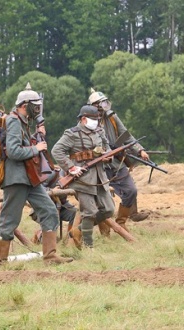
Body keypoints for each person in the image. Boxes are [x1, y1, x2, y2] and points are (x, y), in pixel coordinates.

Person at [0, 83, 73, 265]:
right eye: (35, 105)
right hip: (16, 179)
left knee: (49, 211)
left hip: (30, 178)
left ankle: (50, 256)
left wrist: (36, 136)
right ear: (24, 105)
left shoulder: (23, 123)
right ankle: (1, 261)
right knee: (10, 219)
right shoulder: (14, 121)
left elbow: (23, 145)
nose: (37, 109)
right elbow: (13, 151)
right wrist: (36, 148)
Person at [51, 105, 115, 248]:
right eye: (93, 119)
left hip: (100, 178)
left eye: (97, 119)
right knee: (90, 212)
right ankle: (88, 246)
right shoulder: (72, 134)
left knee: (109, 209)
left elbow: (107, 148)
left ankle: (78, 231)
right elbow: (57, 151)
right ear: (83, 119)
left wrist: (107, 156)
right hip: (82, 180)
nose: (97, 122)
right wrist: (71, 167)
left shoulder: (99, 131)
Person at [87, 89, 149, 233]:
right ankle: (105, 232)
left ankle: (121, 223)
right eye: (97, 105)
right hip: (98, 166)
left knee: (131, 191)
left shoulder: (112, 117)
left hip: (116, 162)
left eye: (103, 104)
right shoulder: (86, 121)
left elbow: (126, 135)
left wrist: (140, 150)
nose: (101, 107)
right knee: (101, 200)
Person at [29, 166, 78, 244]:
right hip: (43, 209)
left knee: (76, 214)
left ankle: (69, 240)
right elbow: (35, 187)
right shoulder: (52, 173)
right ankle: (39, 235)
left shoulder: (76, 176)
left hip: (62, 207)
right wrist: (52, 191)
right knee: (48, 238)